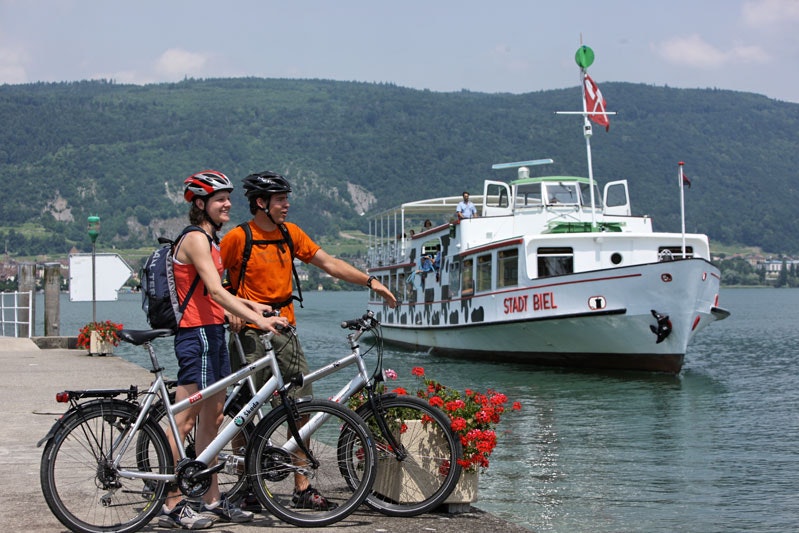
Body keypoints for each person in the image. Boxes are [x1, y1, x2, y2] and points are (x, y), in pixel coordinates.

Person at [220, 170, 397, 510]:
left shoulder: (290, 233)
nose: (286, 205)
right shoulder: (239, 237)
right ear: (261, 203)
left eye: (286, 199)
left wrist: (370, 282)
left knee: (300, 407)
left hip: (286, 330)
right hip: (250, 333)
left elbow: (328, 263)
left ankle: (301, 486)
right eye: (280, 200)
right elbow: (213, 280)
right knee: (246, 411)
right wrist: (233, 308)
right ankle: (245, 484)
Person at [159, 170, 288, 529]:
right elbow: (215, 292)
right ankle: (172, 502)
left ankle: (211, 499)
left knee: (213, 421)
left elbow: (217, 292)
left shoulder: (211, 240)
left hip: (213, 333)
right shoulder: (195, 239)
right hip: (196, 335)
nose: (228, 204)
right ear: (201, 204)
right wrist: (257, 321)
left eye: (228, 198)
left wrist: (254, 307)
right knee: (184, 421)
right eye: (220, 199)